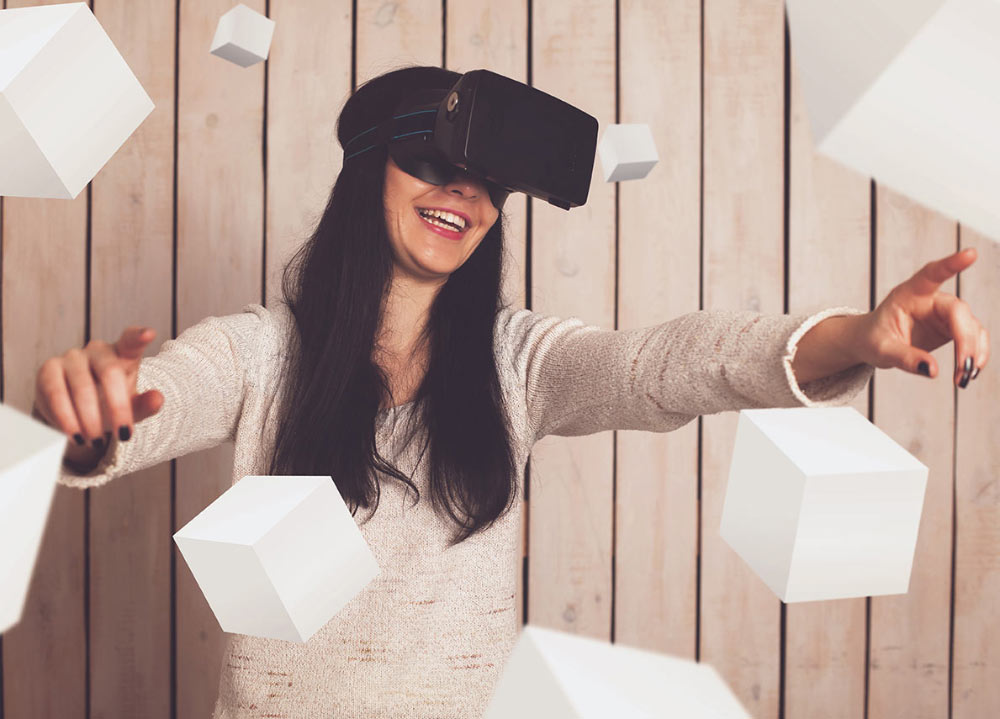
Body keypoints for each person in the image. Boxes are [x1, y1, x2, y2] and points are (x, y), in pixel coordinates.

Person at [32, 65, 990, 718]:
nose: (464, 192)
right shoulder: (259, 353)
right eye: (436, 163)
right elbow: (153, 402)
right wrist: (89, 415)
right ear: (373, 169)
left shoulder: (518, 362)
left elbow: (670, 362)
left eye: (489, 180)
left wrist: (856, 336)